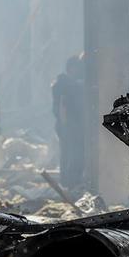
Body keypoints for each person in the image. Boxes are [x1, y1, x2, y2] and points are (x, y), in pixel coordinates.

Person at [51, 53, 85, 189]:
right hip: (68, 125)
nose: (81, 70)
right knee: (71, 153)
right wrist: (65, 125)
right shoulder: (63, 83)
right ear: (71, 68)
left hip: (73, 125)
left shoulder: (72, 83)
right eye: (78, 67)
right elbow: (62, 106)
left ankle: (71, 181)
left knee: (74, 152)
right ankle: (68, 182)